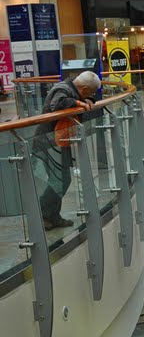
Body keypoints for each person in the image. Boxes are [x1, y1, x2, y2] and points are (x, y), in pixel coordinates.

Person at [34, 71, 101, 230]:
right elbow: (57, 104)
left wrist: (88, 100)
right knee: (60, 180)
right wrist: (79, 103)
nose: (90, 96)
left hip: (58, 142)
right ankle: (42, 215)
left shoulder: (72, 89)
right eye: (90, 93)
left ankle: (52, 216)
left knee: (62, 180)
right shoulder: (62, 89)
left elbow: (79, 99)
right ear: (83, 88)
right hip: (48, 142)